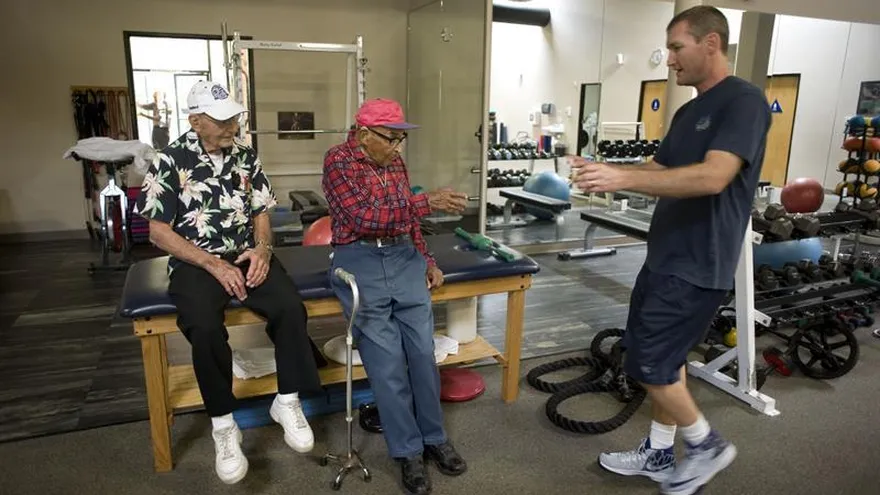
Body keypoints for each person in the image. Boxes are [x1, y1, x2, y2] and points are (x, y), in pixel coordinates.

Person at [571, 6, 771, 495]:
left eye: (677, 49)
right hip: (665, 256)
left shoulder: (743, 102)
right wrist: (607, 173)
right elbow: (662, 169)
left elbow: (714, 176)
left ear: (711, 43)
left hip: (699, 263)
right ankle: (660, 453)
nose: (671, 61)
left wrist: (623, 176)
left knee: (647, 363)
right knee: (669, 360)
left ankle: (707, 446)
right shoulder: (687, 110)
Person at [133, 81, 326, 485]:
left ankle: (287, 400)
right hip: (196, 261)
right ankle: (224, 424)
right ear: (196, 121)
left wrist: (261, 251)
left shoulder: (245, 156)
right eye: (222, 120)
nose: (232, 126)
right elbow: (157, 231)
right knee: (203, 327)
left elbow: (261, 211)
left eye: (234, 117)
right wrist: (212, 265)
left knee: (290, 307)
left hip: (245, 253)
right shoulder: (169, 160)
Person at [322, 98, 470, 495]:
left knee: (423, 354)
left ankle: (434, 438)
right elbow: (363, 217)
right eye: (392, 138)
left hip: (403, 257)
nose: (397, 147)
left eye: (402, 139)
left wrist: (426, 258)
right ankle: (407, 452)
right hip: (361, 259)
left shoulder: (395, 163)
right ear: (365, 134)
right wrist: (426, 201)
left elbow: (407, 219)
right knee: (386, 365)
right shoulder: (338, 161)